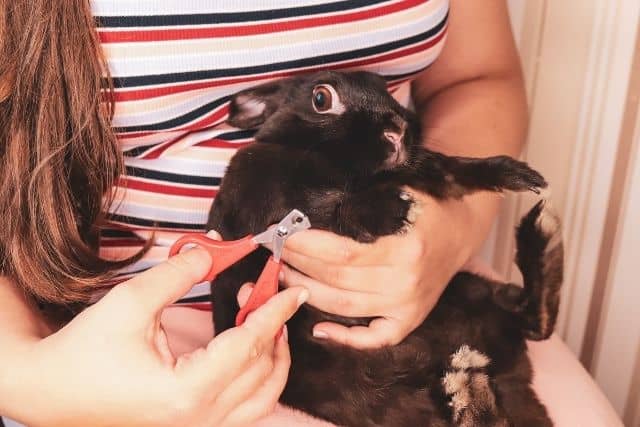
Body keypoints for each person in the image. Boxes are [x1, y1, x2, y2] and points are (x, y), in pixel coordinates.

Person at [0, 0, 527, 425]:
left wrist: (450, 223)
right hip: (87, 347)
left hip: (408, 311)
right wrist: (25, 378)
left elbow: (478, 75)